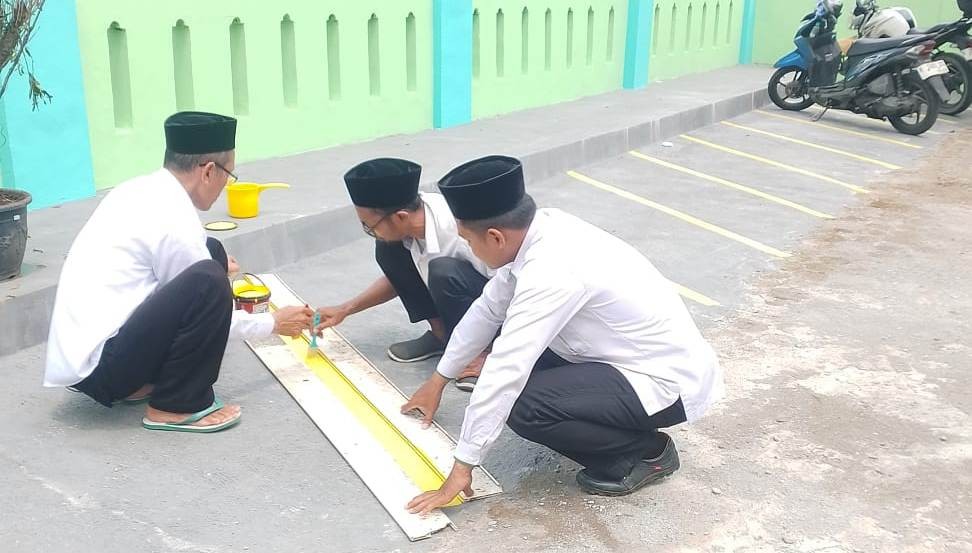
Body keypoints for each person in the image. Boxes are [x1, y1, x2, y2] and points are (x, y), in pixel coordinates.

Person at [402, 155, 724, 513]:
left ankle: (643, 454)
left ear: (495, 236)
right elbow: (487, 310)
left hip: (664, 381)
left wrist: (462, 466)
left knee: (523, 404)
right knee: (514, 378)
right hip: (619, 357)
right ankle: (609, 428)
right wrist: (438, 380)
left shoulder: (552, 270)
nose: (470, 250)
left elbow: (507, 367)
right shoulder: (540, 230)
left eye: (468, 241)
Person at [44, 111, 312, 433]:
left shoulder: (141, 189)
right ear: (208, 171)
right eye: (229, 175)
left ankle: (139, 386)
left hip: (93, 355)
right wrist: (273, 323)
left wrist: (213, 266)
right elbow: (206, 303)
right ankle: (175, 405)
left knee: (212, 254)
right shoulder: (175, 222)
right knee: (209, 280)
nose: (226, 185)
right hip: (104, 368)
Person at [314, 158, 492, 390]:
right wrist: (345, 309)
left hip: (499, 305)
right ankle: (442, 334)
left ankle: (480, 352)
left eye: (369, 226)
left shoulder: (460, 232)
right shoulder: (415, 219)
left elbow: (508, 289)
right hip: (467, 296)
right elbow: (400, 280)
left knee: (443, 271)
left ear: (400, 217)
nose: (370, 231)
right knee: (388, 248)